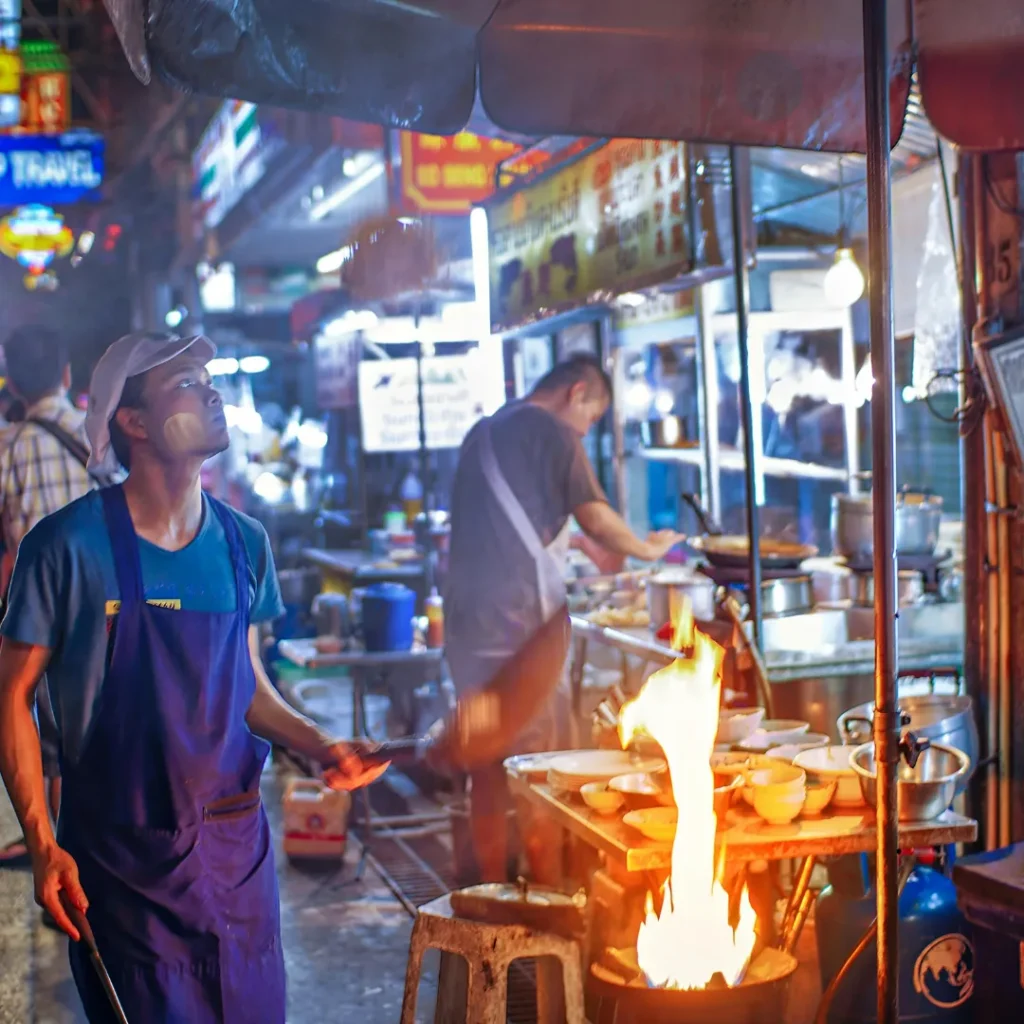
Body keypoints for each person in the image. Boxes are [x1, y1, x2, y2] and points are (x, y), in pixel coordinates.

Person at [0, 332, 387, 1023]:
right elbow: (12, 696)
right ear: (134, 421)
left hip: (235, 859)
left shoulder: (245, 543)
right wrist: (41, 839)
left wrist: (317, 743)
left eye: (209, 380)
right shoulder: (63, 548)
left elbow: (248, 688)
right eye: (186, 383)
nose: (211, 392)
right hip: (122, 866)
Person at [444, 354, 682, 883]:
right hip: (520, 638)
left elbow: (499, 527)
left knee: (484, 765)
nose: (586, 428)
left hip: (467, 637)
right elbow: (596, 515)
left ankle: (490, 892)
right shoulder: (554, 432)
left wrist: (572, 541)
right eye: (593, 417)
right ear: (577, 394)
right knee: (541, 767)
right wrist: (645, 548)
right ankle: (548, 894)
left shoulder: (484, 434)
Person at [0, 327, 102, 869]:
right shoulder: (98, 435)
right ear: (67, 375)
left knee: (50, 735)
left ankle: (63, 852)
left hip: (39, 608)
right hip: (111, 601)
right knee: (100, 725)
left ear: (12, 383)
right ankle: (85, 851)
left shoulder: (9, 445)